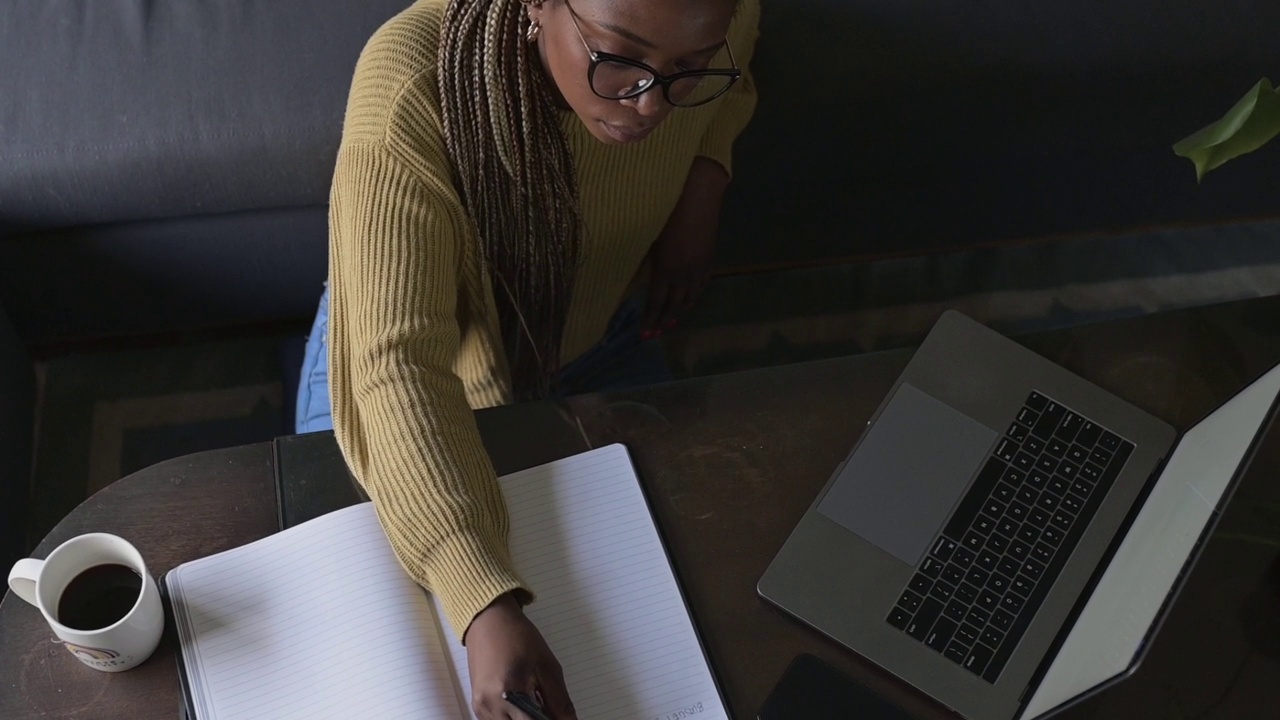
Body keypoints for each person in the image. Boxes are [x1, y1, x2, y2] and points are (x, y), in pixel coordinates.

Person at [296, 0, 758, 716]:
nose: (648, 107)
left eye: (688, 70)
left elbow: (743, 69)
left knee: (710, 587)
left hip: (602, 339)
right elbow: (398, 364)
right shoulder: (413, 87)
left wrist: (705, 181)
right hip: (406, 361)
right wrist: (483, 601)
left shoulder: (723, 17)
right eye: (619, 56)